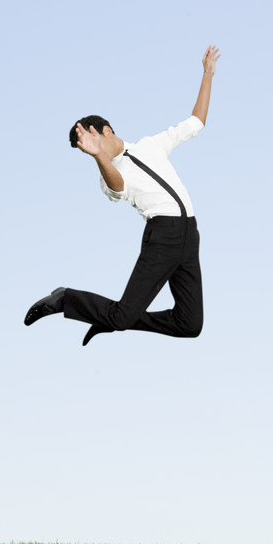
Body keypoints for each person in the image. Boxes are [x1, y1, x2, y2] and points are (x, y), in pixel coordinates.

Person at [24, 44, 221, 346]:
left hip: (190, 233)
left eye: (92, 140)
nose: (92, 149)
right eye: (85, 149)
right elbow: (118, 187)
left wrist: (207, 74)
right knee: (122, 316)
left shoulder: (150, 145)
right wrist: (97, 156)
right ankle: (66, 299)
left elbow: (196, 122)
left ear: (106, 130)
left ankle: (109, 316)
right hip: (163, 235)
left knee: (189, 323)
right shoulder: (108, 174)